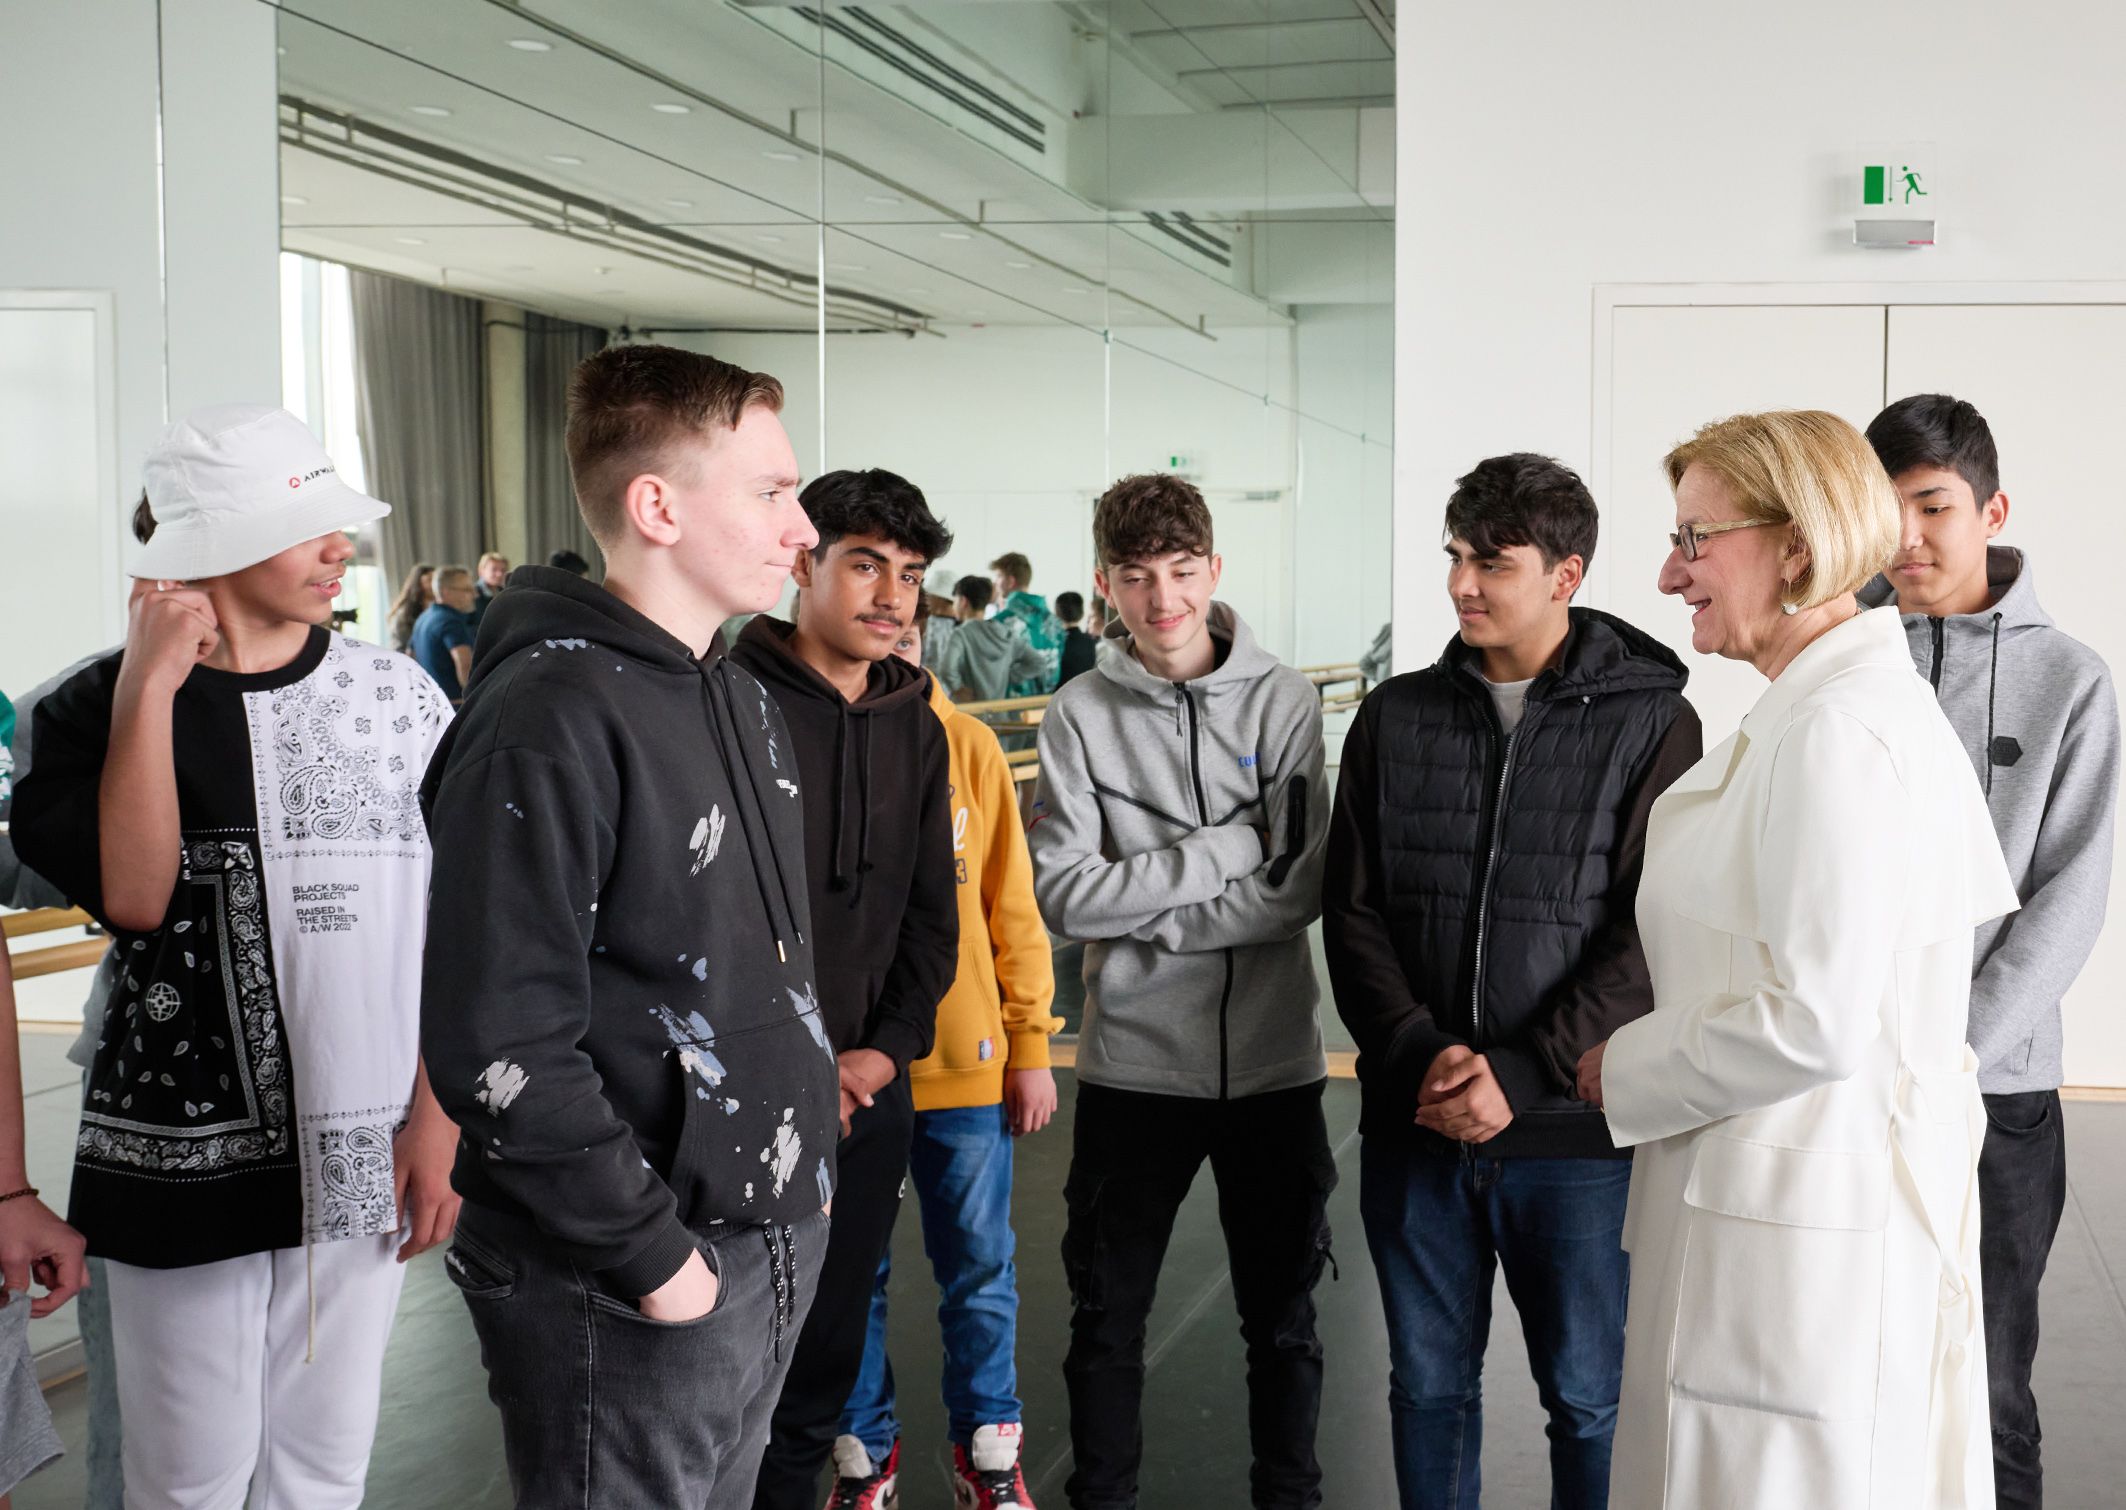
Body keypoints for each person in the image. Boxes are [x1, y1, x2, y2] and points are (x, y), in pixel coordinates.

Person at [11, 403, 461, 1508]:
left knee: (324, 1471)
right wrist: (152, 686)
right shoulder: (82, 708)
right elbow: (136, 892)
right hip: (177, 1144)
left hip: (365, 1144)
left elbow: (456, 922)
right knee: (185, 1482)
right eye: (302, 525)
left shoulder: (399, 696)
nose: (338, 550)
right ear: (205, 542)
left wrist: (436, 1115)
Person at [418, 344, 839, 1508]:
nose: (800, 527)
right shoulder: (547, 715)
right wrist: (657, 1262)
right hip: (629, 1269)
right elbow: (498, 1042)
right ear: (656, 505)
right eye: (768, 492)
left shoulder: (737, 692)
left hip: (760, 1233)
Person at [1577, 410, 2018, 1508]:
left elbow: (1815, 1018)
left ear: (1794, 543)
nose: (1669, 573)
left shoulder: (1839, 732)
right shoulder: (1821, 710)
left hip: (1798, 1236)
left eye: (1692, 539)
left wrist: (1619, 1067)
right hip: (1776, 1207)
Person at [1323, 454, 1701, 1510]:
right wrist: (1420, 1052)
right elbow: (1350, 911)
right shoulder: (1392, 718)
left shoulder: (1652, 722)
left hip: (1572, 1138)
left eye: (1493, 561)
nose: (1462, 584)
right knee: (1426, 1387)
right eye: (1454, 556)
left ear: (1564, 573)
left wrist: (1517, 1067)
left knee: (1586, 1398)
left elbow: (1645, 931)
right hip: (1418, 1120)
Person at [1030, 473, 1333, 1510]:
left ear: (1213, 568)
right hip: (1131, 1072)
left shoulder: (1285, 700)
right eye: (1134, 577)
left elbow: (1295, 891)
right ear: (1103, 584)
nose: (1161, 600)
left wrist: (1146, 913)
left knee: (1282, 1319)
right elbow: (1066, 896)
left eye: (1180, 571)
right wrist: (1223, 848)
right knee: (1105, 1319)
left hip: (1273, 1071)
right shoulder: (1076, 716)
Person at [1861, 393, 2119, 1510]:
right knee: (1860, 1369)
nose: (1908, 538)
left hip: (1991, 1088)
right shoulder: (1840, 654)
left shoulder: (2071, 677)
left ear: (1989, 508)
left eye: (1932, 506)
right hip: (1846, 1075)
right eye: (1887, 511)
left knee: (1990, 1382)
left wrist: (1949, 1048)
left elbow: (2070, 892)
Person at [729, 469, 960, 1510]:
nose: (892, 595)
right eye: (864, 563)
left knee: (823, 1369)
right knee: (729, 1373)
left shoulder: (918, 724)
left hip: (872, 1089)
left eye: (908, 573)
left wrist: (884, 1049)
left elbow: (928, 914)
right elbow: (711, 919)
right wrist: (794, 1069)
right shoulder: (727, 703)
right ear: (800, 561)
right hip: (744, 1095)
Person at [829, 594, 1061, 1510]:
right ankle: (864, 1461)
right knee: (857, 1275)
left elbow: (1011, 902)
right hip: (851, 1073)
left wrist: (1029, 1041)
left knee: (980, 1270)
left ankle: (990, 1455)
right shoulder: (826, 743)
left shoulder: (967, 746)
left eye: (911, 629)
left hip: (963, 1068)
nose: (894, 643)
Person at [933, 577, 1044, 704]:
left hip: (970, 711)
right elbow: (1038, 663)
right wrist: (1008, 676)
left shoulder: (961, 634)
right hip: (1000, 713)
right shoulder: (1006, 633)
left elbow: (946, 669)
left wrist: (957, 688)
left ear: (963, 601)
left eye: (955, 600)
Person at [990, 552, 1063, 696]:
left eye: (998, 576)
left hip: (1011, 705)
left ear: (1010, 581)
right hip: (1047, 702)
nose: (995, 582)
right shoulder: (1054, 621)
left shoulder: (1001, 621)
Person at [410, 565, 477, 701]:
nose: (475, 594)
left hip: (431, 703)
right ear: (446, 592)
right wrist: (475, 700)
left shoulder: (423, 618)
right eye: (467, 589)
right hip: (454, 705)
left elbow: (410, 657)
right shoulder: (451, 622)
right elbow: (464, 665)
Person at [386, 562, 435, 654]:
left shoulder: (437, 611)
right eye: (430, 580)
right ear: (418, 584)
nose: (434, 585)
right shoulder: (403, 615)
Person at [1054, 590, 1098, 685]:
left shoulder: (1055, 643)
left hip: (1058, 695)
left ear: (1056, 614)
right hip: (1086, 693)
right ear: (1082, 613)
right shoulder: (1091, 642)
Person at [470, 551, 510, 627]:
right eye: (494, 569)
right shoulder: (471, 593)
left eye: (503, 570)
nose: (499, 574)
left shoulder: (506, 592)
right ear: (481, 571)